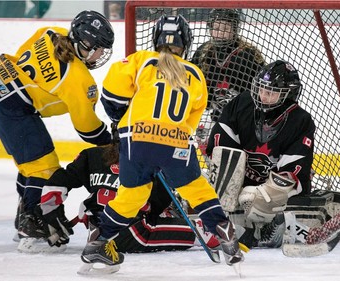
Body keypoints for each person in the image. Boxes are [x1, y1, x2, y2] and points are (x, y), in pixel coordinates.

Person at [81, 14, 244, 269]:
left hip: (137, 141)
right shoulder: (196, 74)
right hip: (176, 143)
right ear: (186, 42)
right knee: (196, 189)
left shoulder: (141, 61)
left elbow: (112, 96)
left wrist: (120, 117)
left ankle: (98, 240)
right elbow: (190, 121)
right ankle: (222, 229)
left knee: (132, 196)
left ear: (155, 38)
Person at [0, 10, 114, 248]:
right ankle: (32, 227)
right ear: (85, 45)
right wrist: (110, 140)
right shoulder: (79, 79)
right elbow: (87, 129)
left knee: (31, 163)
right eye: (99, 49)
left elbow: (23, 55)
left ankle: (25, 217)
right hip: (13, 110)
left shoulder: (51, 33)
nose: (101, 55)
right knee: (44, 167)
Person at [37, 134, 220, 255]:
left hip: (101, 226)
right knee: (198, 230)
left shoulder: (92, 155)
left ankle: (96, 229)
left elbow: (59, 180)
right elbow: (157, 207)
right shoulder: (151, 162)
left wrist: (50, 211)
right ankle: (205, 232)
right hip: (131, 233)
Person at [206, 60, 316, 249]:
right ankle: (229, 221)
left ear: (289, 95)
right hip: (240, 186)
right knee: (223, 161)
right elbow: (218, 145)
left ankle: (264, 231)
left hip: (271, 193)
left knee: (264, 195)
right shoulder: (243, 102)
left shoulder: (301, 121)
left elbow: (294, 173)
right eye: (261, 89)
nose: (263, 96)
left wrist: (261, 193)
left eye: (271, 93)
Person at [191, 8, 265, 121]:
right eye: (216, 28)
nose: (220, 32)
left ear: (234, 30)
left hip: (242, 116)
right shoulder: (203, 52)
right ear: (210, 29)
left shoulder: (249, 54)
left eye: (225, 28)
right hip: (209, 114)